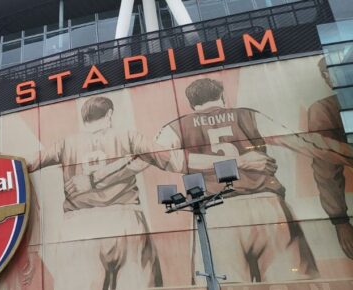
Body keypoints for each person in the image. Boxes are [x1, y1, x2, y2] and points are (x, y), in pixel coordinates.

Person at [155, 78, 353, 283]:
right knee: (290, 283)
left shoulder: (176, 127)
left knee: (224, 284)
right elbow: (301, 142)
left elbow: (162, 157)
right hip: (267, 205)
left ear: (191, 105)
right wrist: (241, 161)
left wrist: (232, 162)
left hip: (214, 211)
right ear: (222, 97)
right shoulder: (248, 115)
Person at [27, 96, 164, 290]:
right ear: (109, 114)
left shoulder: (66, 144)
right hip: (124, 216)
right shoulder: (128, 136)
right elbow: (155, 155)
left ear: (84, 119)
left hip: (79, 223)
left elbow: (30, 163)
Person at [308, 57, 353, 260]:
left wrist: (340, 221)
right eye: (324, 73)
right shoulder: (326, 109)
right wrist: (340, 221)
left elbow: (326, 167)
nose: (327, 77)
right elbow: (326, 166)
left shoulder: (326, 108)